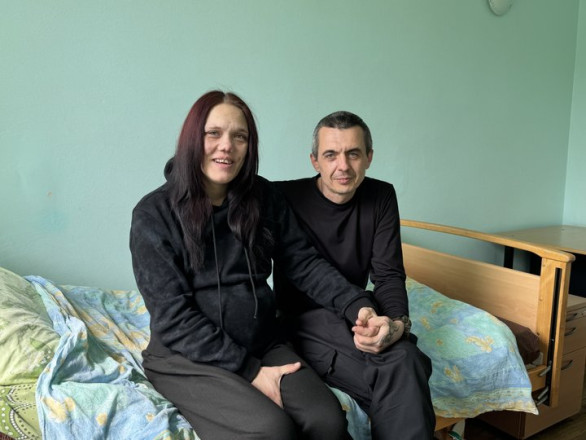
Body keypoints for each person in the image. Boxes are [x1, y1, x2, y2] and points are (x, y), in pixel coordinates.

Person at [129, 92, 384, 440]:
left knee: (327, 421)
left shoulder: (263, 198)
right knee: (271, 431)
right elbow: (173, 318)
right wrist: (251, 372)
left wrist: (358, 305)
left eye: (240, 136)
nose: (227, 146)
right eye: (213, 133)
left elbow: (304, 263)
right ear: (192, 139)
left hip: (262, 343)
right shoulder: (153, 214)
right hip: (187, 357)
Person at [273, 111, 436, 439]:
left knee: (404, 356)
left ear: (369, 158)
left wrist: (396, 325)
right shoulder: (283, 198)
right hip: (304, 321)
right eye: (331, 155)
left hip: (360, 313)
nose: (343, 166)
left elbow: (388, 275)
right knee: (406, 365)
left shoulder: (381, 196)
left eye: (353, 154)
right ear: (314, 161)